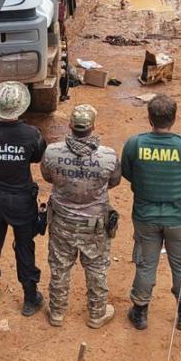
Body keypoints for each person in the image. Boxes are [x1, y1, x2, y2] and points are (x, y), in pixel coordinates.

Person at [121, 94, 181, 331]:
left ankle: (139, 312)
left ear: (149, 118)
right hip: (179, 216)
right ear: (174, 118)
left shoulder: (134, 144)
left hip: (145, 215)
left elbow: (128, 173)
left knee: (146, 264)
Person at [39, 103, 121, 328]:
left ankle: (56, 312)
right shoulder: (108, 156)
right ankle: (97, 314)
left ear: (70, 125)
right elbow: (113, 181)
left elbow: (47, 177)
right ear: (93, 126)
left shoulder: (52, 152)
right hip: (94, 224)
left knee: (60, 266)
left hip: (61, 221)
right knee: (96, 268)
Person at [0, 81, 47, 315]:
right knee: (25, 246)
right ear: (21, 106)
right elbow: (36, 158)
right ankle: (29, 297)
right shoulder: (32, 134)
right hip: (21, 200)